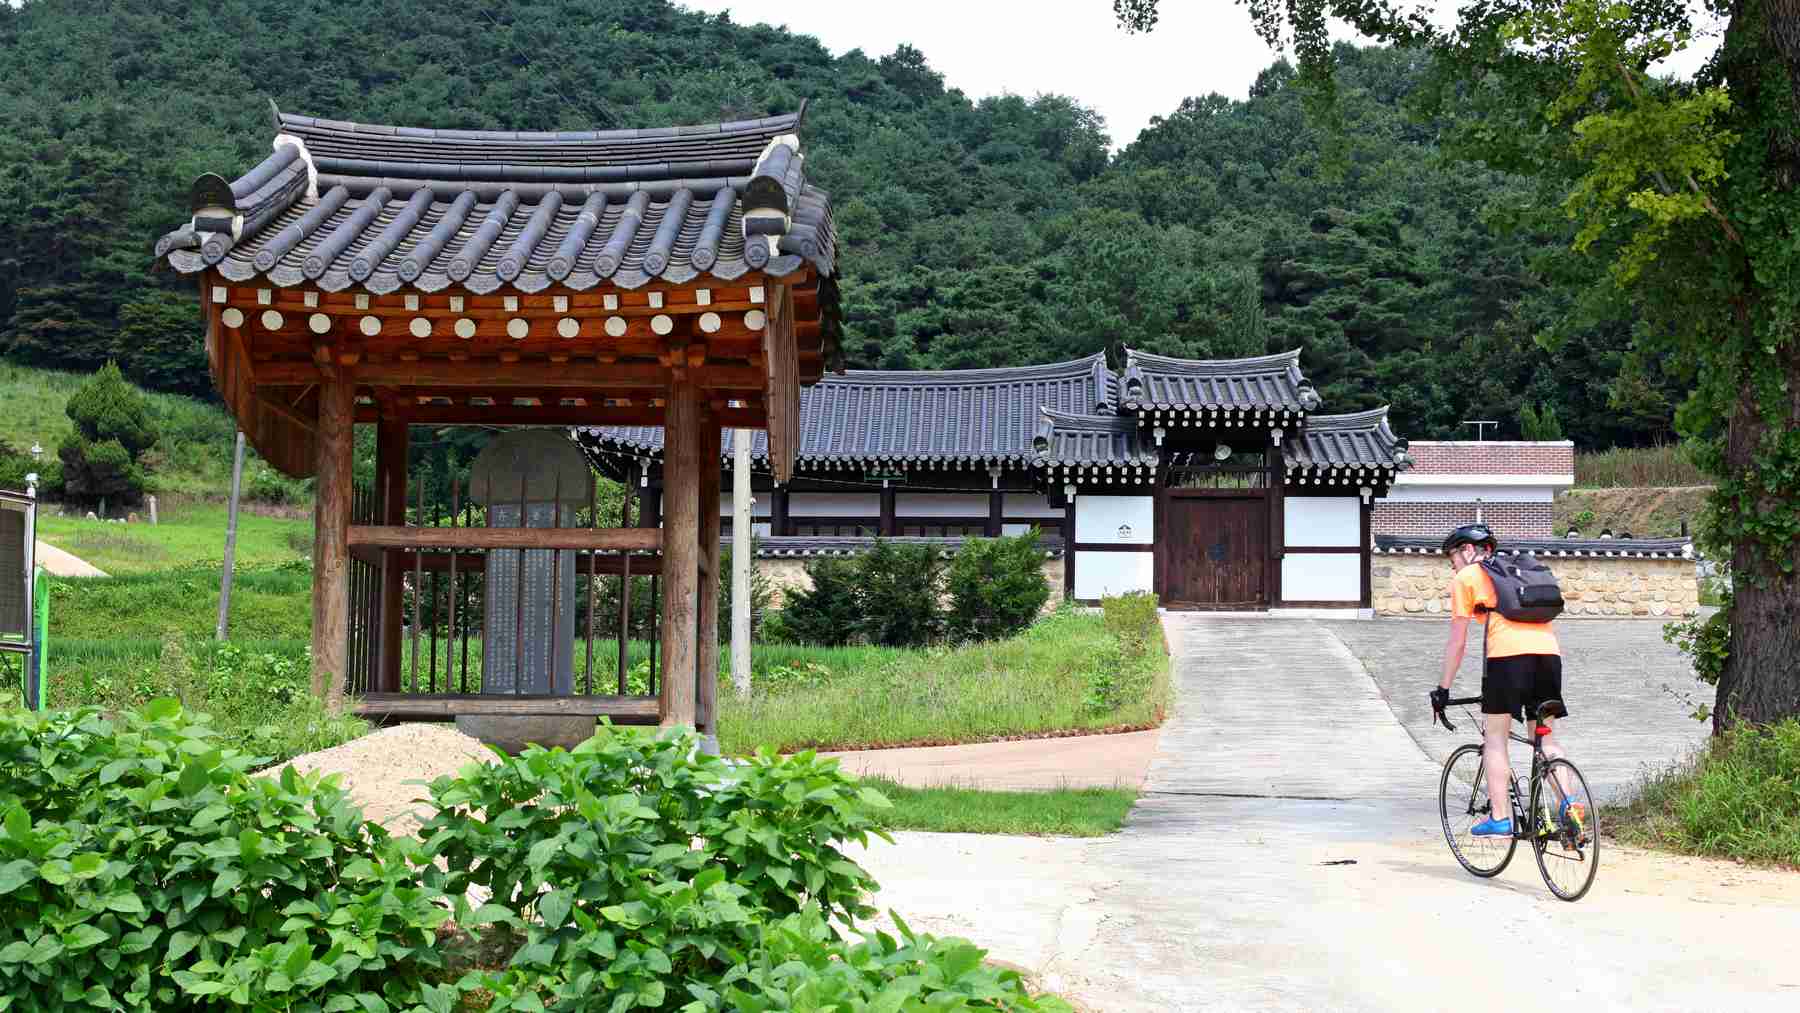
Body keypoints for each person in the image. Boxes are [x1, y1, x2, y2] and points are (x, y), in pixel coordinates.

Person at [1429, 523, 1586, 838]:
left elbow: (1457, 643)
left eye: (1452, 558)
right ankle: (1569, 806)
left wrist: (1443, 689)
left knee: (1495, 738)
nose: (1453, 566)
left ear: (1467, 551)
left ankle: (1501, 818)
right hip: (1548, 656)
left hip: (1507, 659)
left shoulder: (1467, 577)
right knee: (1546, 740)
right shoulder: (1517, 572)